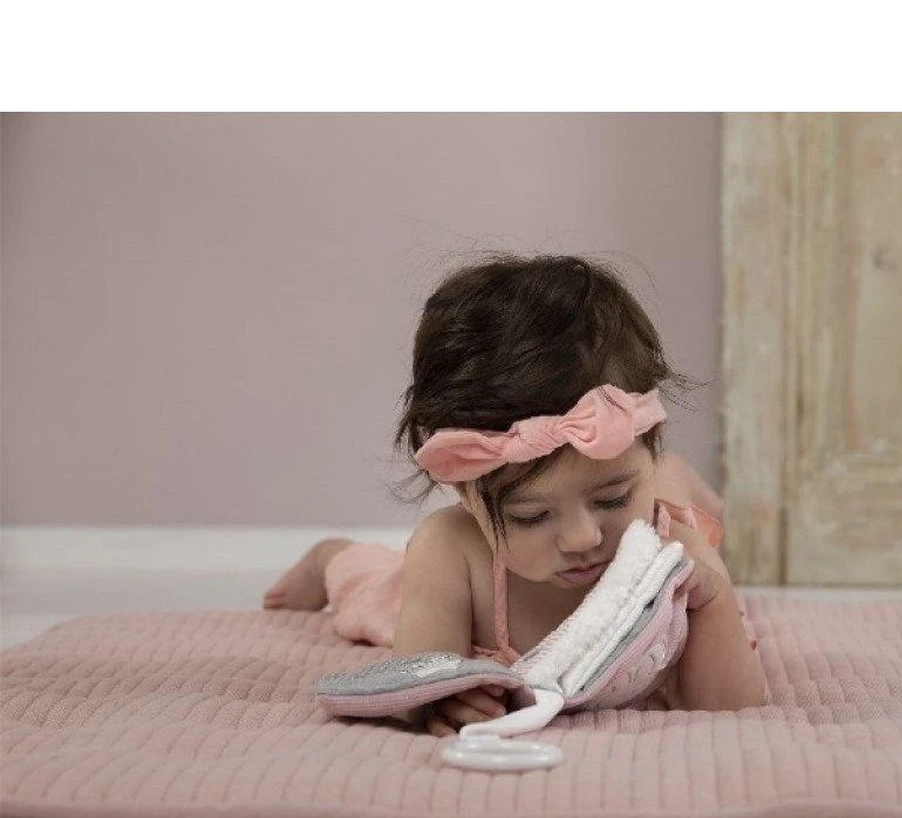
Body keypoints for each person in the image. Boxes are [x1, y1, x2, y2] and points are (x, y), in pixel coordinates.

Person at [263, 254, 766, 736]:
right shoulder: (451, 550)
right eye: (532, 515)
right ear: (465, 490)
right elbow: (416, 678)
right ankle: (329, 557)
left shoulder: (674, 556)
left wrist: (712, 603)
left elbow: (731, 704)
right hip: (438, 586)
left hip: (660, 505)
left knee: (687, 525)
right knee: (374, 590)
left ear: (649, 442)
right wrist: (441, 699)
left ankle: (675, 480)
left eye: (612, 499)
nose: (582, 538)